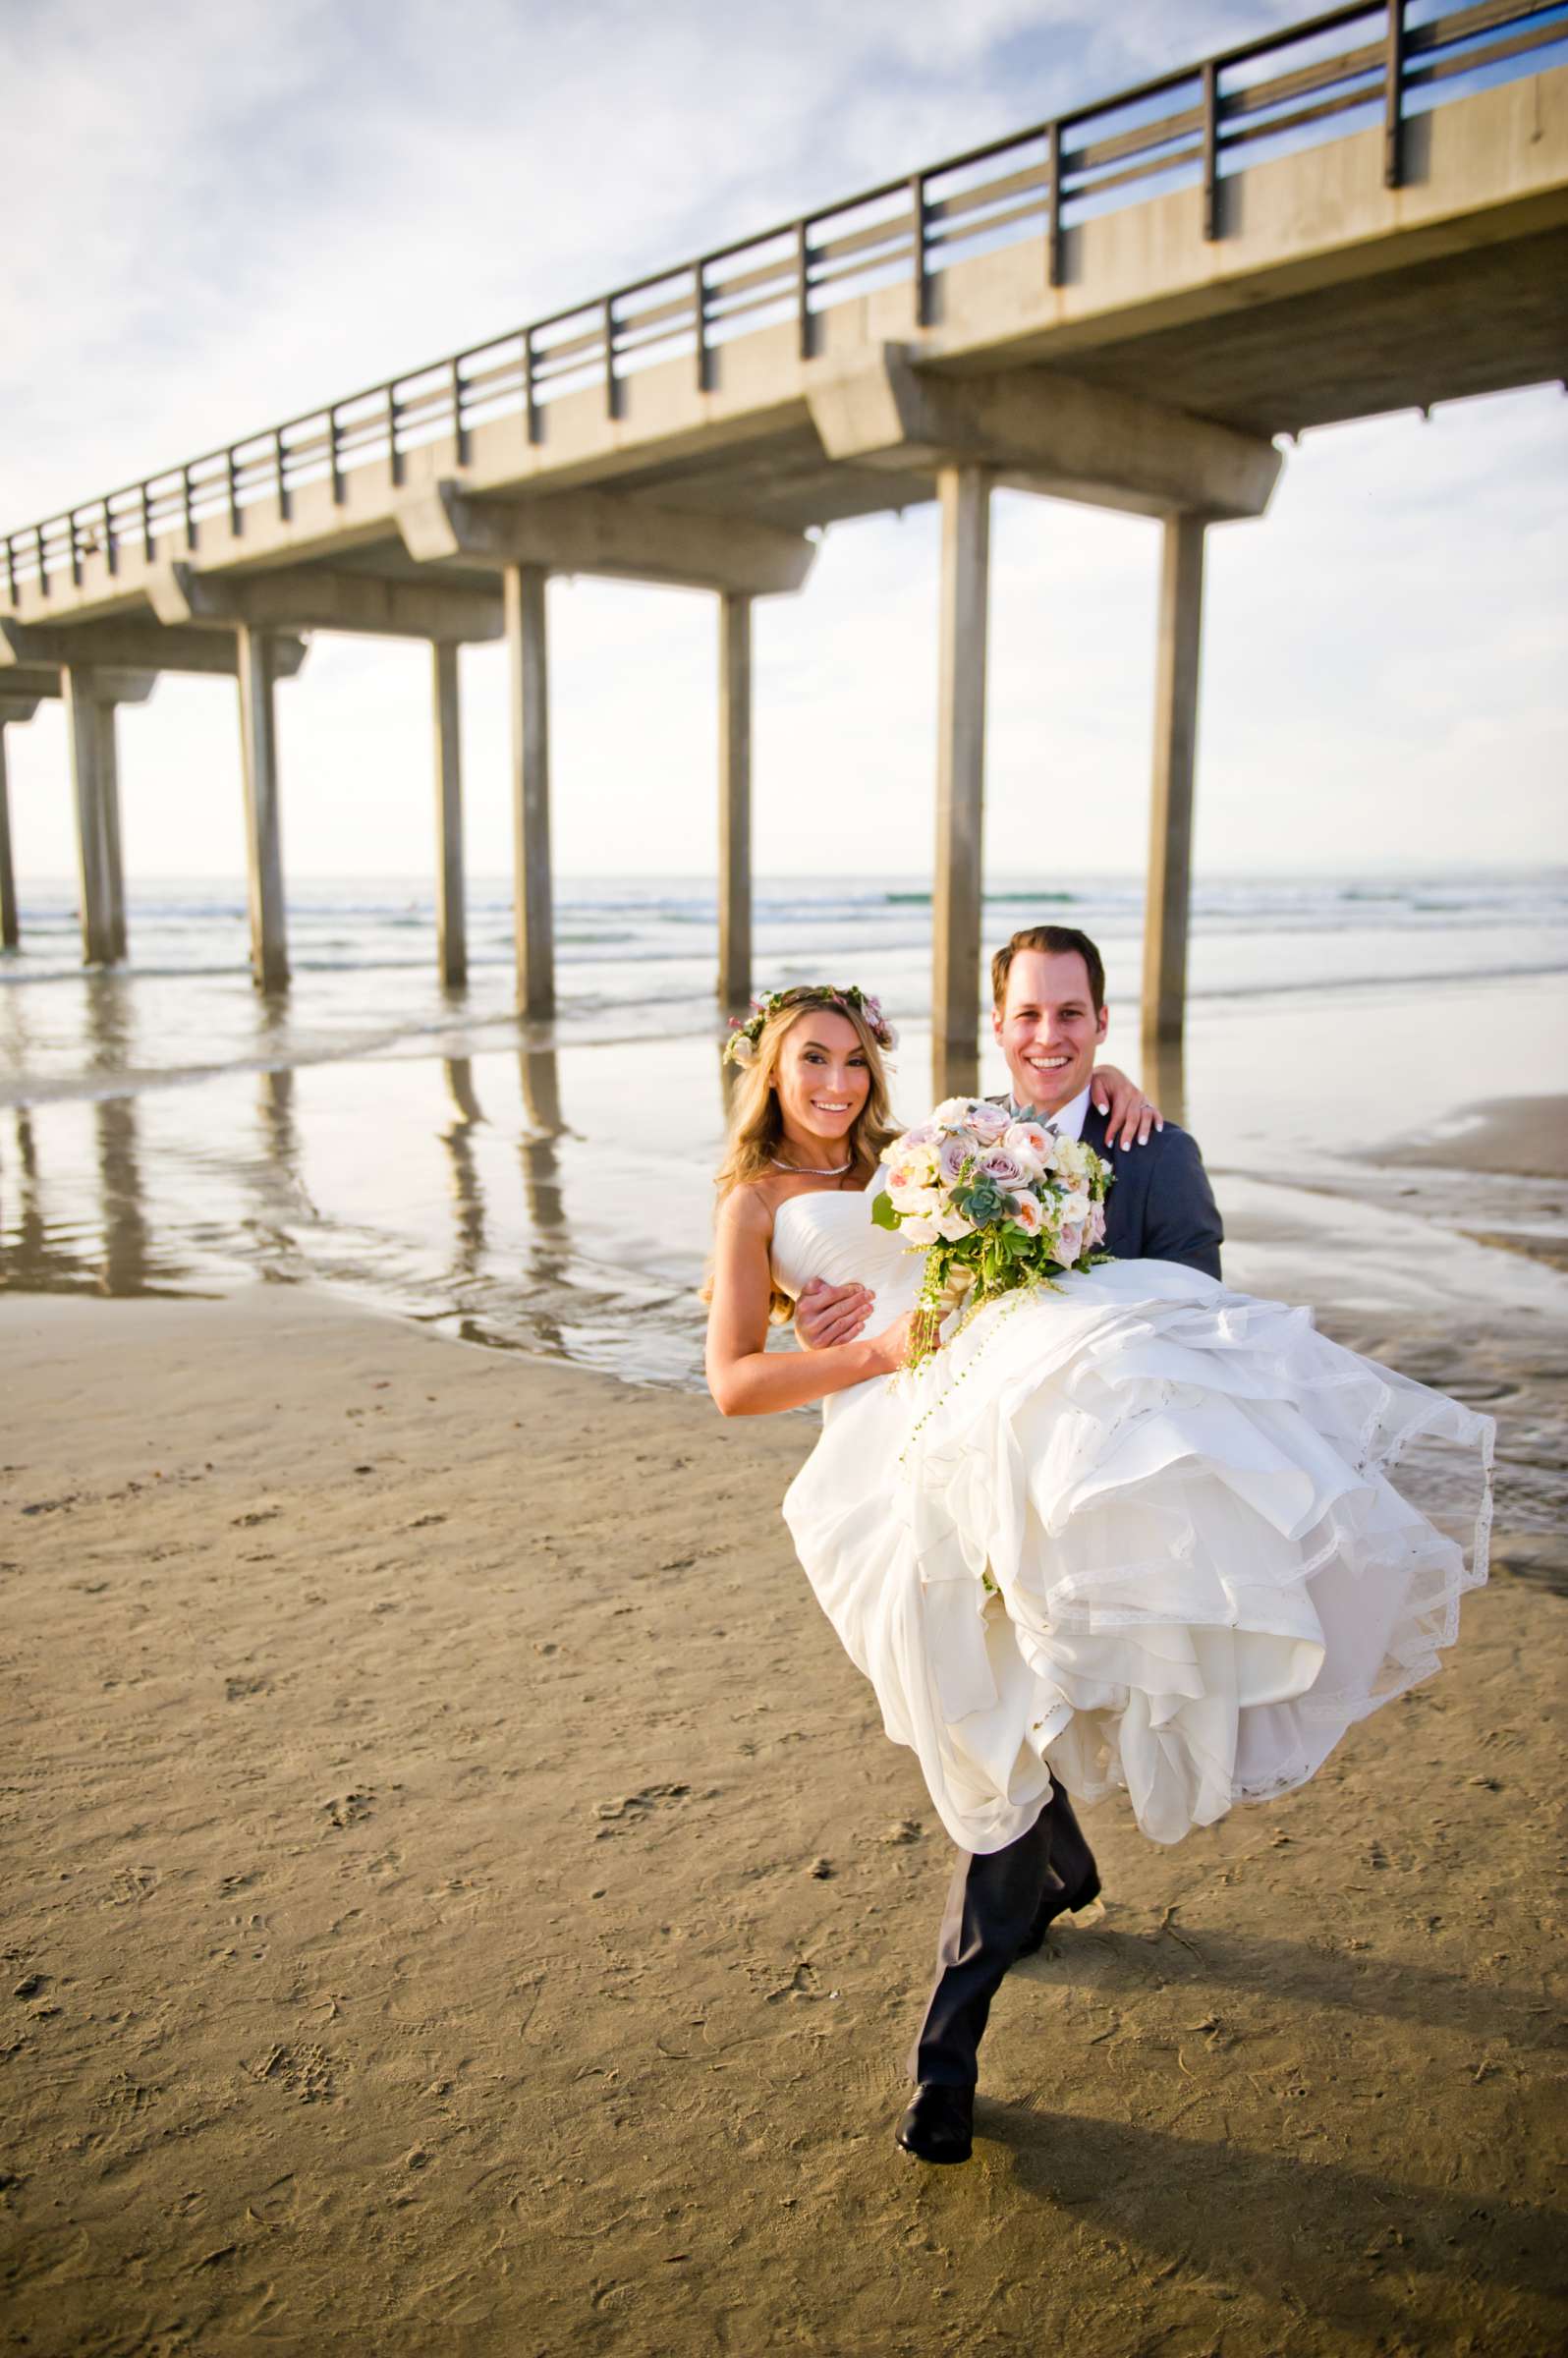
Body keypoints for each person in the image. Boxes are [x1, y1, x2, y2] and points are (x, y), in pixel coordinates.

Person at [702, 962, 1492, 2171]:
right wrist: (850, 1351)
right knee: (1007, 1696)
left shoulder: (924, 1149)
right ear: (768, 1070)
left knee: (1031, 1688)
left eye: (853, 1058)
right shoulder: (755, 1200)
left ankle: (949, 2048)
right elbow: (734, 1377)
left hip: (1021, 1424)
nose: (835, 1080)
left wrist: (1111, 1083)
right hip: (902, 1445)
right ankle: (1045, 1882)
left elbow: (1025, 1157)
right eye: (810, 1059)